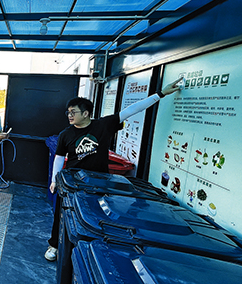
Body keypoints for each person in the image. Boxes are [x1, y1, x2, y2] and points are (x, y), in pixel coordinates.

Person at [44, 77, 183, 261]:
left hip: (99, 184)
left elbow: (133, 109)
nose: (69, 115)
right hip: (72, 184)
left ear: (86, 113)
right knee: (63, 213)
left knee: (96, 216)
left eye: (73, 112)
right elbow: (60, 157)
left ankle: (90, 249)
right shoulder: (65, 134)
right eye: (68, 112)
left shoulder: (103, 125)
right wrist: (55, 179)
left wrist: (160, 93)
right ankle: (54, 245)